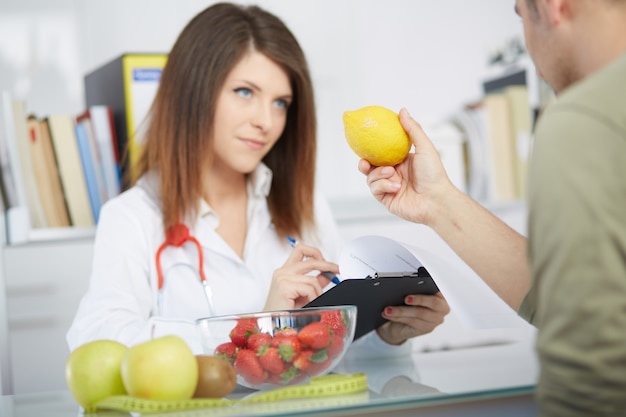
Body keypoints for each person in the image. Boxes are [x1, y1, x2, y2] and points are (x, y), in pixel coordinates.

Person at [67, 2, 449, 356]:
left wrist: (388, 333)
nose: (266, 121)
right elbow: (99, 344)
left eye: (280, 102)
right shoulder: (131, 217)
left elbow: (330, 346)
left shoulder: (304, 204)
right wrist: (259, 327)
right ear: (191, 93)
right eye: (245, 92)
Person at [359, 0, 626, 415]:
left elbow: (589, 375)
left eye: (522, 16)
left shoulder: (581, 121)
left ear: (552, 7)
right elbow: (562, 300)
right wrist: (436, 201)